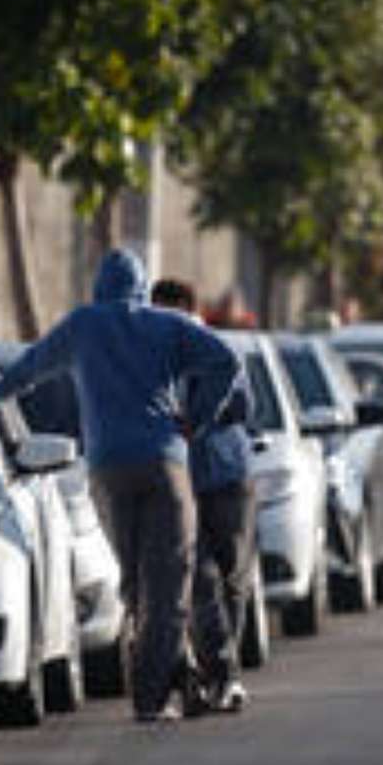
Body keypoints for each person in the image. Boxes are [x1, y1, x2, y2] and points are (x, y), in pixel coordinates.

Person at [0, 249, 239, 723]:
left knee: (136, 581)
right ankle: (152, 696)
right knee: (169, 581)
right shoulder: (167, 325)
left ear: (99, 287)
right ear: (142, 286)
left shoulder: (83, 325)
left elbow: (31, 366)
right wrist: (196, 419)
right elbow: (227, 362)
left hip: (107, 468)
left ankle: (178, 677)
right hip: (163, 463)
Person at [151, 277, 256, 713]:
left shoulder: (217, 349)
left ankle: (225, 677)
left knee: (231, 578)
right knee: (196, 580)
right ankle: (209, 674)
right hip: (178, 484)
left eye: (171, 313)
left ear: (190, 312)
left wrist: (198, 415)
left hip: (227, 478)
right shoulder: (152, 356)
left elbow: (244, 406)